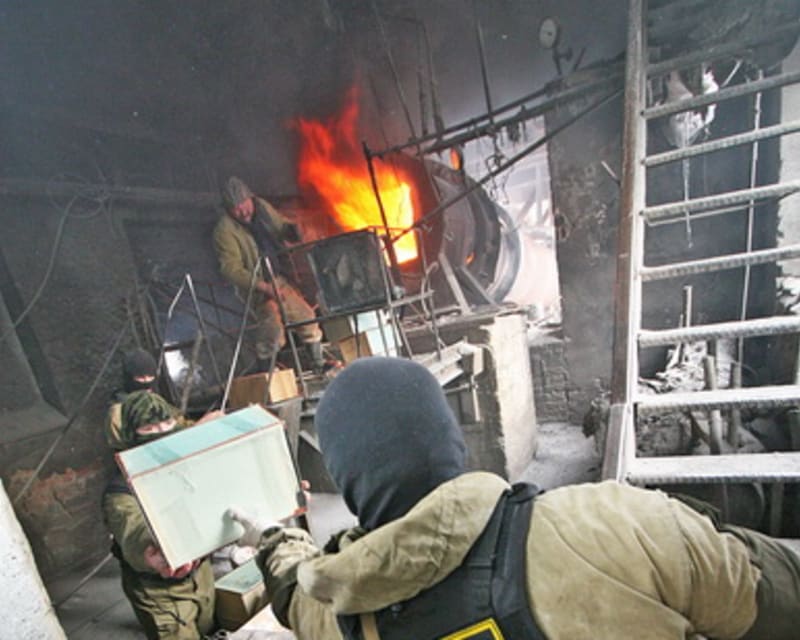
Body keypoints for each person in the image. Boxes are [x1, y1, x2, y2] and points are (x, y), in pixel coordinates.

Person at [230, 356, 800, 640]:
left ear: (349, 479)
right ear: (449, 440)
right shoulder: (617, 524)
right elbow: (776, 597)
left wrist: (270, 536)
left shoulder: (341, 614)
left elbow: (292, 590)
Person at [103, 389, 217, 639]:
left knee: (210, 629)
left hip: (202, 575)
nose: (161, 433)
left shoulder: (181, 467)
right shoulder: (121, 491)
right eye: (149, 429)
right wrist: (154, 548)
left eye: (166, 424)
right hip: (161, 595)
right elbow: (133, 530)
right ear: (132, 436)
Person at [213, 176, 324, 372]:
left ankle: (318, 364)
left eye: (244, 204)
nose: (243, 211)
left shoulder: (261, 208)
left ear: (251, 198)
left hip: (278, 278)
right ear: (228, 210)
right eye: (236, 208)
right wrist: (264, 287)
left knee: (306, 317)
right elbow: (230, 269)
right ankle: (269, 373)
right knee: (272, 328)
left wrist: (294, 230)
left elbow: (280, 226)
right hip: (255, 287)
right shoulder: (224, 231)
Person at [104, 348, 159, 451]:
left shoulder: (157, 400)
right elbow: (121, 449)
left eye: (150, 376)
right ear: (129, 378)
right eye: (141, 377)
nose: (147, 381)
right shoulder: (118, 411)